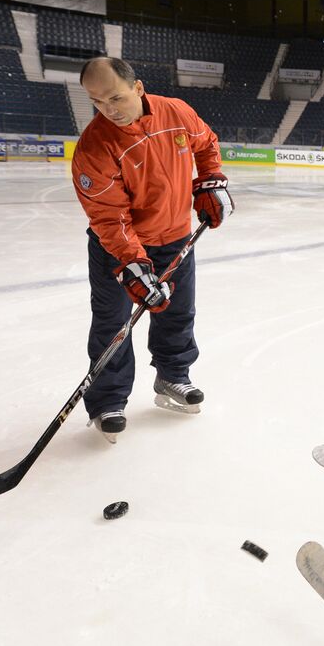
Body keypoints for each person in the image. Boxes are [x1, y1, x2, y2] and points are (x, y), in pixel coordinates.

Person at [71, 56, 234, 442]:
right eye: (97, 102)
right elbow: (109, 218)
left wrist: (210, 180)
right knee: (113, 323)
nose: (109, 111)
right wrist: (133, 264)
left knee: (178, 313)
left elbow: (206, 143)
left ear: (138, 88)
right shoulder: (94, 148)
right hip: (120, 247)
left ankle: (173, 377)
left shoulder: (176, 112)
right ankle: (108, 399)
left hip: (175, 235)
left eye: (116, 98)